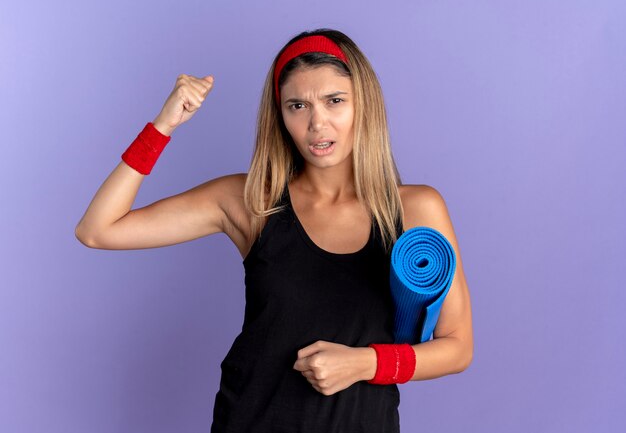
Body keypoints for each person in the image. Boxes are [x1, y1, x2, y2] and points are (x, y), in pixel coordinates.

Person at [75, 28, 473, 433]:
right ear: (280, 116)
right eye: (297, 105)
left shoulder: (415, 209)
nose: (317, 122)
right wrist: (163, 125)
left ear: (363, 105)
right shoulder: (252, 201)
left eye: (335, 101)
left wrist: (366, 362)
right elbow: (98, 229)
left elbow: (457, 348)